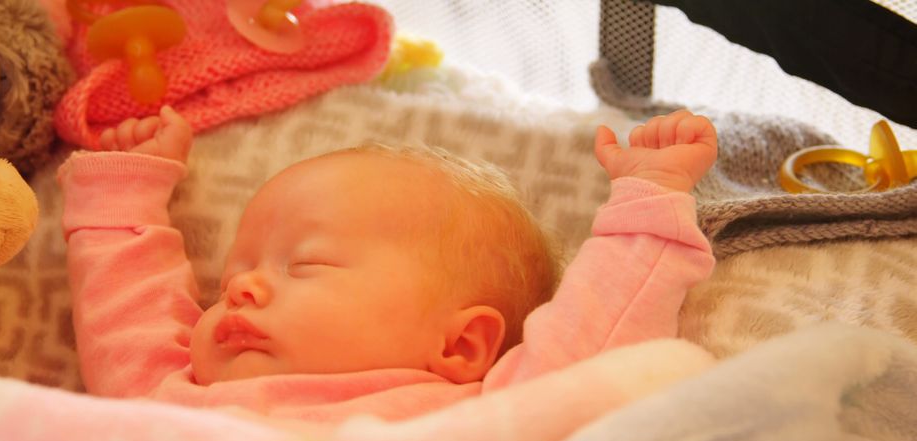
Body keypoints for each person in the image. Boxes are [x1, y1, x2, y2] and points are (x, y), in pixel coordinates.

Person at [60, 106, 716, 420]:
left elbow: (602, 324)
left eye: (308, 266)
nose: (240, 291)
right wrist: (125, 190)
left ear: (460, 345)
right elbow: (128, 318)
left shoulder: (489, 414)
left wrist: (651, 191)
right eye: (228, 282)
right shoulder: (169, 401)